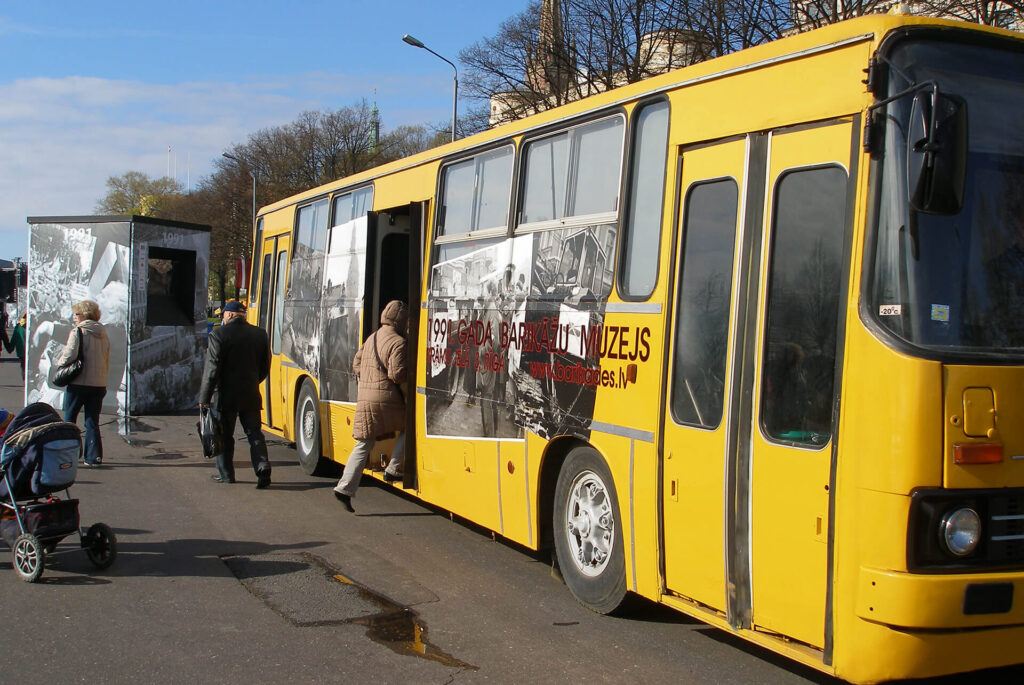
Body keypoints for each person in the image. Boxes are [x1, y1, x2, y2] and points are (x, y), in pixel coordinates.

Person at [333, 300, 408, 512]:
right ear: (401, 320)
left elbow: (356, 364)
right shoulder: (399, 342)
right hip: (386, 399)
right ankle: (393, 468)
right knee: (409, 427)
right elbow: (397, 374)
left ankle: (344, 488)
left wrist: (369, 378)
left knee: (364, 443)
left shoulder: (372, 337)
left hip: (365, 397)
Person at [198, 301, 272, 488]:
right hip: (251, 393)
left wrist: (204, 398)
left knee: (224, 435)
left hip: (225, 396)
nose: (222, 317)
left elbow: (212, 369)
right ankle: (262, 466)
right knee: (254, 434)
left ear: (229, 315)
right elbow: (265, 366)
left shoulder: (218, 335)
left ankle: (226, 474)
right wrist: (253, 381)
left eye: (223, 314)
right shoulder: (260, 334)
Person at [57, 300, 110, 467]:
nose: (74, 317)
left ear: (84, 315)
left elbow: (69, 355)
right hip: (98, 384)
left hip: (78, 383)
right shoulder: (103, 333)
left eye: (76, 314)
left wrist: (59, 363)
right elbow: (106, 359)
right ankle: (93, 457)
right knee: (92, 421)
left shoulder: (78, 332)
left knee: (69, 420)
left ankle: (69, 454)